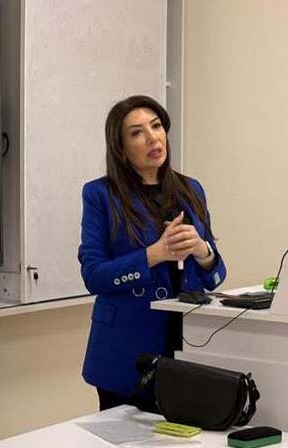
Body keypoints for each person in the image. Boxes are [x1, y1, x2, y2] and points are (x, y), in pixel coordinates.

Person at [78, 95, 226, 411]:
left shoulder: (191, 189)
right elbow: (93, 275)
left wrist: (202, 250)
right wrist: (154, 254)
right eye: (137, 132)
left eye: (156, 126)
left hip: (187, 342)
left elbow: (215, 274)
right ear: (121, 149)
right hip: (126, 350)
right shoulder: (100, 195)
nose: (152, 138)